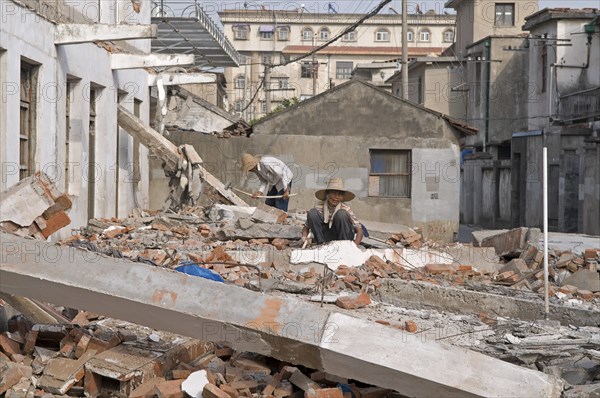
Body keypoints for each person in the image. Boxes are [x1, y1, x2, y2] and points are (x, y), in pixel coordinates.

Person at [301, 178, 363, 246]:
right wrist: (304, 238)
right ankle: (321, 244)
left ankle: (343, 246)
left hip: (342, 238)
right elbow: (306, 227)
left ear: (342, 197)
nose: (336, 197)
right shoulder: (319, 206)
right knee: (312, 213)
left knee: (341, 214)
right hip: (326, 237)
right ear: (327, 194)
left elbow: (359, 230)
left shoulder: (346, 209)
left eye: (339, 195)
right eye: (333, 193)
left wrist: (355, 246)